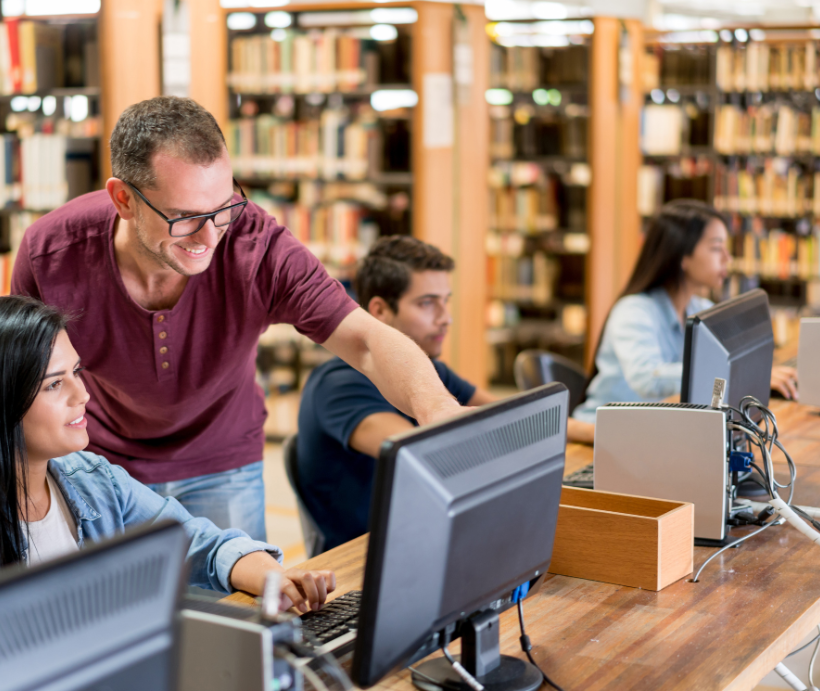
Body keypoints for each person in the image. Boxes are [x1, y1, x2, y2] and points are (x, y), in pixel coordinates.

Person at [11, 97, 467, 541]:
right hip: (103, 464)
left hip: (224, 463)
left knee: (237, 611)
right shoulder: (49, 253)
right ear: (124, 199)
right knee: (123, 616)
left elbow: (367, 340)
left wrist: (438, 411)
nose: (210, 237)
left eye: (224, 207)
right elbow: (21, 383)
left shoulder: (258, 245)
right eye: (184, 217)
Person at [0, 296, 335, 611]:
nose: (83, 395)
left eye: (77, 372)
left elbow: (196, 542)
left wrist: (270, 576)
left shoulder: (91, 478)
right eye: (55, 384)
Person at [295, 237, 595, 551]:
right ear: (380, 310)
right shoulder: (339, 384)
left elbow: (507, 411)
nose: (445, 317)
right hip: (366, 557)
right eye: (427, 303)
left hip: (435, 533)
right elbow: (425, 456)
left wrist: (597, 433)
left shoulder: (427, 371)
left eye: (445, 301)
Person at [574, 199, 797, 423]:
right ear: (682, 255)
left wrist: (755, 373)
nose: (727, 259)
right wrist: (734, 376)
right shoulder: (633, 312)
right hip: (600, 433)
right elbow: (647, 379)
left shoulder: (701, 309)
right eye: (716, 248)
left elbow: (731, 358)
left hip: (654, 428)